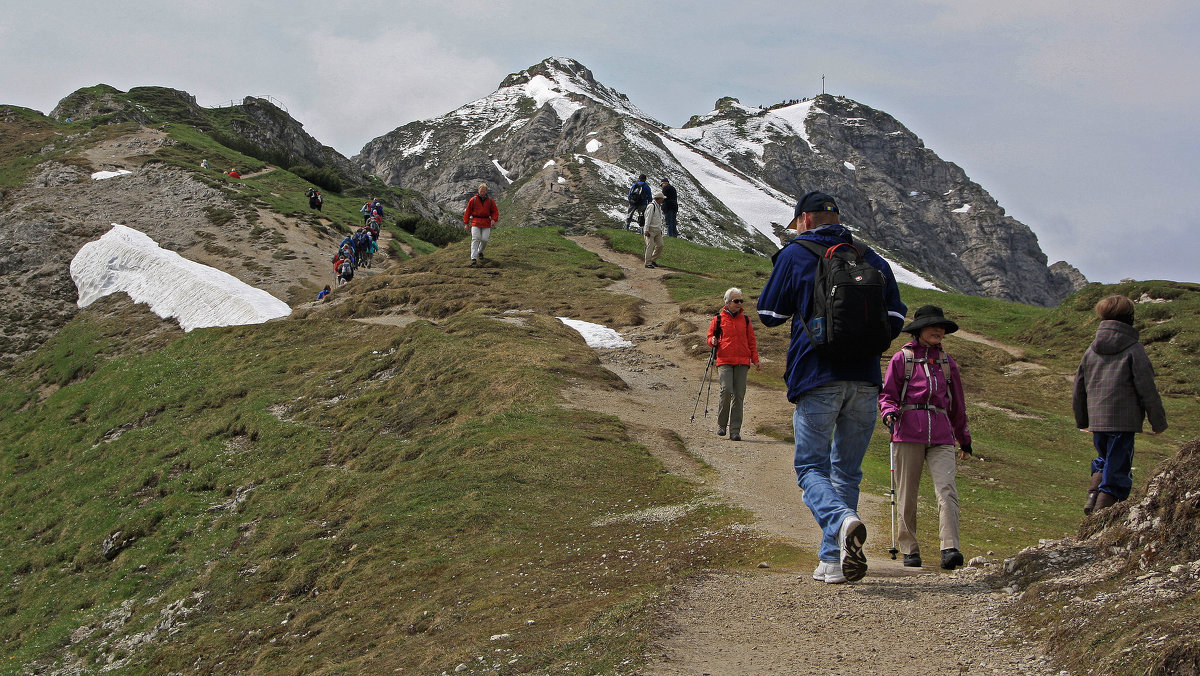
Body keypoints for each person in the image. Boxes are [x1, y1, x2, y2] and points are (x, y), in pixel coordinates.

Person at [757, 190, 907, 584]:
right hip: (865, 379)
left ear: (804, 220)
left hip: (816, 374)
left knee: (810, 467)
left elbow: (769, 313)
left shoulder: (795, 253)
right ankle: (834, 560)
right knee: (847, 472)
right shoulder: (869, 256)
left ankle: (841, 521)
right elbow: (894, 318)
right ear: (838, 217)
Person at [878, 305, 972, 570]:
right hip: (907, 432)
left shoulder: (947, 362)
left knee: (947, 489)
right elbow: (887, 395)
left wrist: (963, 438)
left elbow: (957, 405)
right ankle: (909, 549)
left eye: (941, 327)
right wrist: (889, 413)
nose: (938, 331)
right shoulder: (902, 358)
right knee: (907, 493)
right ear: (919, 331)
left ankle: (950, 548)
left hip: (941, 434)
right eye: (933, 326)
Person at [1073, 294, 1167, 513]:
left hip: (1098, 419)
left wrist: (1082, 419)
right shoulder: (1134, 349)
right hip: (1124, 420)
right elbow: (1147, 388)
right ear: (1129, 318)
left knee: (1104, 457)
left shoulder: (1091, 350)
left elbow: (1079, 386)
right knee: (1119, 463)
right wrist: (1158, 421)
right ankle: (1105, 508)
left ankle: (1093, 493)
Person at [707, 288, 761, 441]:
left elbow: (751, 341)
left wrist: (755, 359)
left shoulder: (746, 319)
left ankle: (735, 431)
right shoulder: (718, 319)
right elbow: (710, 337)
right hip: (724, 360)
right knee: (726, 390)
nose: (739, 304)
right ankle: (721, 425)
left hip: (742, 362)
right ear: (728, 302)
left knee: (739, 395)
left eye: (740, 301)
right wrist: (712, 341)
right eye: (736, 301)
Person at [463, 183, 499, 266]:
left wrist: (494, 219)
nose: (482, 192)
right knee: (475, 238)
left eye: (484, 190)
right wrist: (466, 223)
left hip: (486, 222)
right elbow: (468, 211)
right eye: (481, 190)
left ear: (486, 191)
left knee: (485, 239)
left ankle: (480, 252)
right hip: (475, 221)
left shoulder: (490, 201)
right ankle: (473, 258)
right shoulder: (473, 200)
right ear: (478, 190)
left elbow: (495, 211)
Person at [643, 192, 666, 268]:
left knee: (660, 245)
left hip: (657, 229)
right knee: (650, 245)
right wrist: (646, 230)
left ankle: (653, 260)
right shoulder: (651, 206)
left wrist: (660, 229)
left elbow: (658, 219)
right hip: (650, 229)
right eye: (662, 199)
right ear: (658, 199)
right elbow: (648, 218)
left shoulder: (658, 206)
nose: (663, 200)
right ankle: (648, 263)